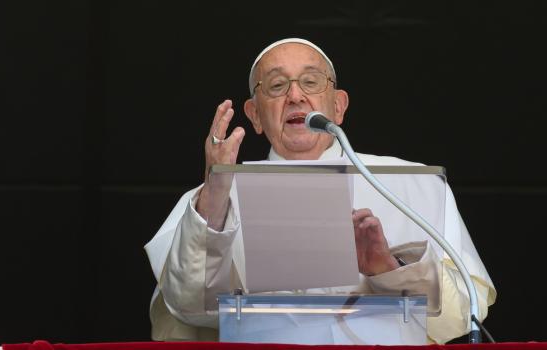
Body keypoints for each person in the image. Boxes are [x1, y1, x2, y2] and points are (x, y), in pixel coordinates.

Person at [144, 38, 496, 344]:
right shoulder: (212, 197)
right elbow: (188, 308)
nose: (296, 96)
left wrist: (390, 269)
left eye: (311, 82)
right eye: (277, 86)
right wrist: (216, 190)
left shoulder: (414, 183)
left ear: (339, 106)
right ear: (253, 115)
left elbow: (463, 315)